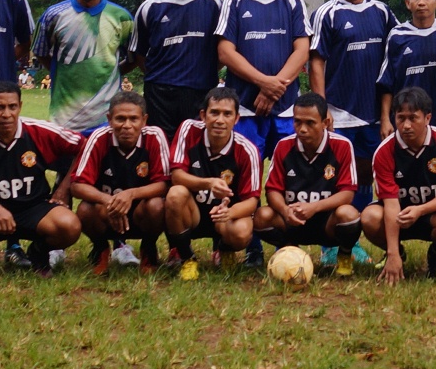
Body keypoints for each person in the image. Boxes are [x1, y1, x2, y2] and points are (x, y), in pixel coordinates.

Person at [310, 0, 396, 267]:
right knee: (334, 179)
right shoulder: (326, 13)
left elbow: (396, 51)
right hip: (338, 112)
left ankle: (353, 241)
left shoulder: (382, 12)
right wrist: (322, 109)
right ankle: (329, 245)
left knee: (367, 177)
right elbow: (316, 61)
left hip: (374, 115)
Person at [0, 81, 84, 275]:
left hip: (34, 207)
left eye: (12, 107)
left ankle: (38, 253)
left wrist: (63, 188)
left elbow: (85, 147)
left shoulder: (40, 130)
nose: (6, 114)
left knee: (69, 225)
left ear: (20, 106)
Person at [214, 0, 310, 158]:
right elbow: (225, 52)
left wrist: (274, 89)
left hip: (286, 108)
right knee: (245, 175)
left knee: (289, 174)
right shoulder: (234, 2)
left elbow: (302, 50)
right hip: (245, 108)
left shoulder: (293, 2)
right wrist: (264, 82)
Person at [362, 87, 436, 285]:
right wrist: (392, 253)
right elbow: (390, 203)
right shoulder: (384, 151)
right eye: (401, 118)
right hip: (398, 215)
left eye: (413, 118)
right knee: (369, 217)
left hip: (432, 213)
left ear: (427, 118)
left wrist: (420, 210)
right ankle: (396, 253)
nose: (406, 125)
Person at [256, 93, 365, 273]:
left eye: (310, 123)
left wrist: (314, 207)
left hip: (326, 221)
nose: (302, 129)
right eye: (297, 122)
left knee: (349, 215)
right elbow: (272, 190)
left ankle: (344, 255)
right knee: (262, 216)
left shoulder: (342, 146)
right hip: (293, 219)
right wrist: (285, 210)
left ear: (325, 123)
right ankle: (291, 251)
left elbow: (347, 193)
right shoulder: (284, 146)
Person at [128, 0, 225, 141]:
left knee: (196, 152)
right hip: (160, 96)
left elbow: (225, 49)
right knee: (162, 152)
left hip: (201, 91)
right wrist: (162, 76)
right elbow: (139, 54)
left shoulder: (213, 4)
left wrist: (204, 70)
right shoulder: (150, 7)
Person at [164, 86, 262, 278]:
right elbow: (176, 176)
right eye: (214, 113)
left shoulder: (248, 150)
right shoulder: (189, 130)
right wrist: (209, 183)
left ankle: (224, 249)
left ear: (236, 119)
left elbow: (252, 201)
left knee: (242, 232)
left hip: (224, 216)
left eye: (227, 114)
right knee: (175, 194)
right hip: (193, 212)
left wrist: (229, 212)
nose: (219, 120)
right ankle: (187, 258)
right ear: (203, 115)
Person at [68, 91, 169, 274]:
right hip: (108, 213)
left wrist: (130, 195)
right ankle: (101, 249)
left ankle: (148, 248)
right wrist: (110, 201)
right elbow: (77, 185)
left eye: (133, 119)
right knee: (85, 210)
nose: (127, 126)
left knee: (157, 205)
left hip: (141, 213)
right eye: (120, 119)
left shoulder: (155, 136)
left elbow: (164, 184)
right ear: (109, 119)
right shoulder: (99, 138)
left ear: (144, 120)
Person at [33, 0, 134, 132]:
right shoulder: (53, 15)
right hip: (64, 120)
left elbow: (134, 56)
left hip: (107, 120)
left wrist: (110, 71)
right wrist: (64, 69)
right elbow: (40, 53)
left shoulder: (122, 17)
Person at [379, 0, 436, 132]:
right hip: (407, 124)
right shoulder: (397, 36)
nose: (421, 2)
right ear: (408, 3)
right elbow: (387, 84)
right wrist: (385, 119)